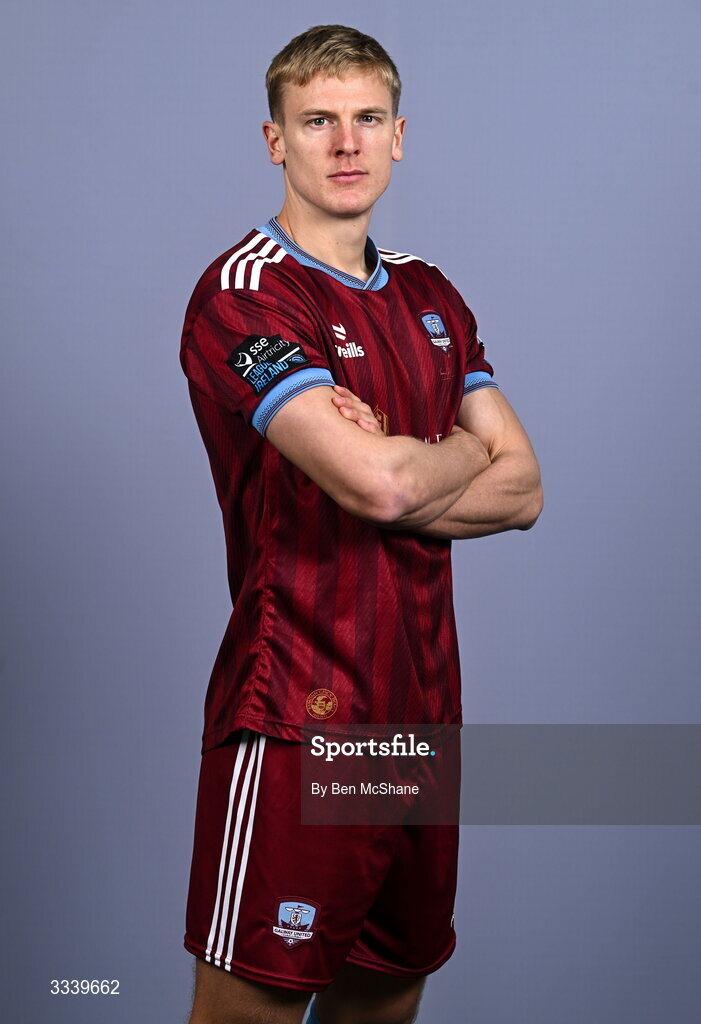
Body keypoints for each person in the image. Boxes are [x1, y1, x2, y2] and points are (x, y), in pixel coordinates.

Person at [179, 23, 543, 1024]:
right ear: (274, 140)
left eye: (367, 118)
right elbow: (380, 490)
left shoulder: (430, 293)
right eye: (317, 121)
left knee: (385, 1002)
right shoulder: (244, 295)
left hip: (419, 725)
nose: (346, 143)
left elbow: (523, 489)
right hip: (300, 718)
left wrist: (407, 455)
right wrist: (450, 452)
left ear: (398, 135)